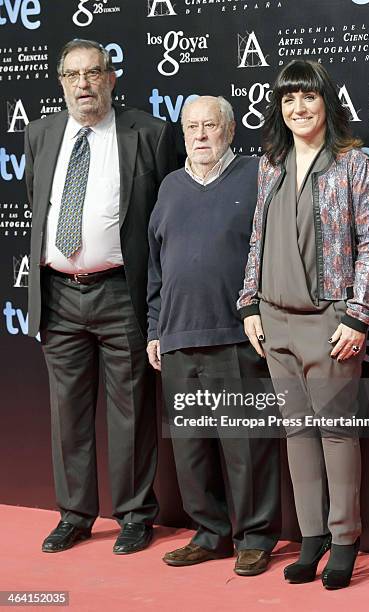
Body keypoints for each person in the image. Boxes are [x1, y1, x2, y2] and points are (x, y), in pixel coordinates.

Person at [238, 60, 369, 589]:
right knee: (297, 433)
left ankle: (345, 539)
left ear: (326, 102)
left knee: (337, 433)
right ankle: (311, 538)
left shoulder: (351, 164)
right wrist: (250, 304)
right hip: (274, 321)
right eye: (288, 100)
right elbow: (256, 237)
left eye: (308, 98)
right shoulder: (270, 163)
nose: (298, 109)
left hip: (330, 323)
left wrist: (357, 315)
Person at [24, 39, 177, 554]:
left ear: (111, 78)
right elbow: (36, 206)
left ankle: (135, 514)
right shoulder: (41, 134)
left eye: (93, 73)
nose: (83, 84)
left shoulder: (149, 134)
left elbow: (165, 220)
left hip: (121, 292)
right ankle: (74, 514)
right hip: (60, 294)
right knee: (66, 412)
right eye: (73, 75)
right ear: (62, 82)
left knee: (132, 411)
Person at [147, 96, 281, 576]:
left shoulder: (256, 175)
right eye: (192, 127)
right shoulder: (169, 187)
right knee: (190, 447)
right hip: (178, 337)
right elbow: (156, 269)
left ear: (228, 129)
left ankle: (255, 537)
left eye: (210, 125)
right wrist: (154, 329)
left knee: (247, 443)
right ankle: (210, 534)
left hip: (238, 335)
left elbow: (273, 251)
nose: (200, 135)